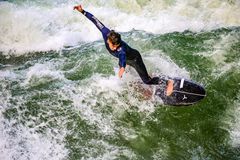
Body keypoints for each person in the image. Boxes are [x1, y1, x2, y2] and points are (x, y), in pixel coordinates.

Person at [74, 5, 159, 85]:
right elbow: (95, 20)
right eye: (113, 46)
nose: (115, 48)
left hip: (135, 59)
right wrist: (82, 11)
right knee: (129, 78)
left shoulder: (121, 50)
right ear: (109, 40)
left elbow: (122, 57)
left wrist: (122, 68)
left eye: (117, 46)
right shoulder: (105, 32)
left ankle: (166, 81)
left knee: (147, 81)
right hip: (127, 60)